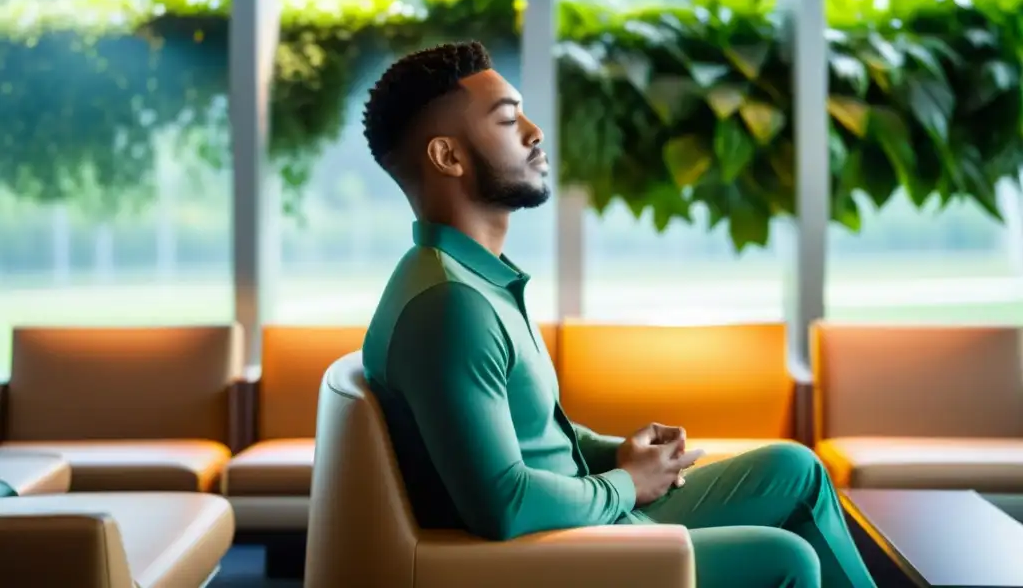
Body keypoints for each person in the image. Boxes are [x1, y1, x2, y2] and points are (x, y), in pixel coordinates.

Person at [360, 41, 877, 588]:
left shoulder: (475, 280)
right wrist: (629, 483)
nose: (535, 133)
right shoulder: (449, 307)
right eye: (509, 120)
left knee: (795, 470)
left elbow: (536, 437)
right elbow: (504, 504)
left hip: (584, 515)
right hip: (559, 552)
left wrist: (617, 455)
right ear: (448, 157)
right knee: (787, 559)